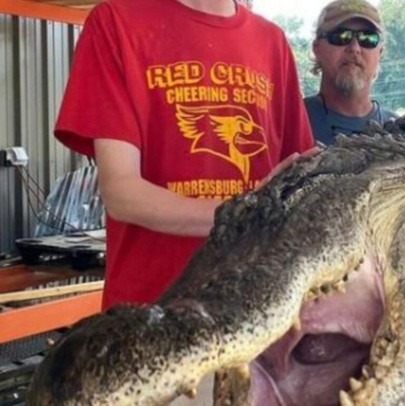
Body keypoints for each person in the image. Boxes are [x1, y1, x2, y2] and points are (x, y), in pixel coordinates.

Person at [53, 0, 315, 310]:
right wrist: (247, 213)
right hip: (153, 314)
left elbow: (303, 180)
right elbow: (122, 193)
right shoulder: (116, 22)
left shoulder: (272, 42)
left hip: (256, 308)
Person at [304, 0, 396, 145]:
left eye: (368, 38)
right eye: (341, 36)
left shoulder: (400, 132)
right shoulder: (292, 121)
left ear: (380, 53)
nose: (354, 48)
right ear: (317, 48)